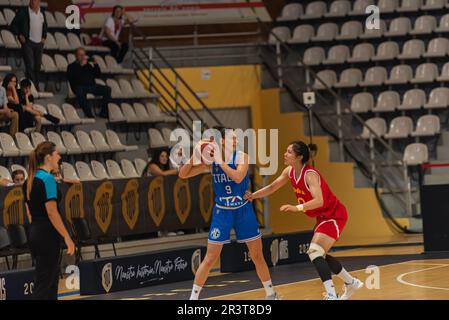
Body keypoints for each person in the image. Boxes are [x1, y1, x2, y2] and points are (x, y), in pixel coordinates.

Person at [245, 141, 363, 300]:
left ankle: (331, 294)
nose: (285, 154)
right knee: (319, 254)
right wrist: (254, 195)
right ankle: (350, 282)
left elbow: (319, 200)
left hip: (334, 215)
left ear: (299, 157)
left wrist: (297, 207)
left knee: (314, 252)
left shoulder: (310, 175)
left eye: (288, 152)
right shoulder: (290, 171)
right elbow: (273, 187)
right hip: (322, 217)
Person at [179, 126, 279, 300]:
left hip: (243, 210)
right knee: (210, 258)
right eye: (233, 138)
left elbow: (238, 177)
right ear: (222, 141)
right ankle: (193, 299)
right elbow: (183, 174)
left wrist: (219, 161)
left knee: (257, 255)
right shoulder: (211, 160)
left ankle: (271, 294)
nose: (236, 141)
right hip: (222, 212)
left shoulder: (241, 156)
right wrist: (195, 154)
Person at [23, 141, 75, 300]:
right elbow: (52, 212)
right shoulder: (48, 179)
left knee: (49, 281)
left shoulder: (29, 180)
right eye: (56, 154)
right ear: (48, 157)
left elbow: (29, 213)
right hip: (47, 234)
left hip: (35, 233)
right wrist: (67, 237)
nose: (59, 156)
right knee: (45, 284)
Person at [9, 0, 47, 90]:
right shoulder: (23, 12)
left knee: (37, 66)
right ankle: (32, 88)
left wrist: (44, 36)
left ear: (39, 2)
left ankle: (36, 86)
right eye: (32, 1)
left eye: (36, 1)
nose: (33, 2)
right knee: (30, 65)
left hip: (39, 44)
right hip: (28, 42)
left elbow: (45, 26)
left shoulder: (42, 13)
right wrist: (19, 34)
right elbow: (13, 25)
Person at [67, 48, 111, 118]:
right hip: (80, 87)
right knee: (80, 91)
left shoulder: (88, 65)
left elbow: (98, 74)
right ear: (76, 56)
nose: (82, 57)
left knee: (107, 89)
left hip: (91, 86)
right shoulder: (71, 67)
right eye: (80, 55)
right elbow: (73, 79)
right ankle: (89, 114)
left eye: (83, 55)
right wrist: (81, 66)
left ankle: (104, 112)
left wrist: (95, 64)